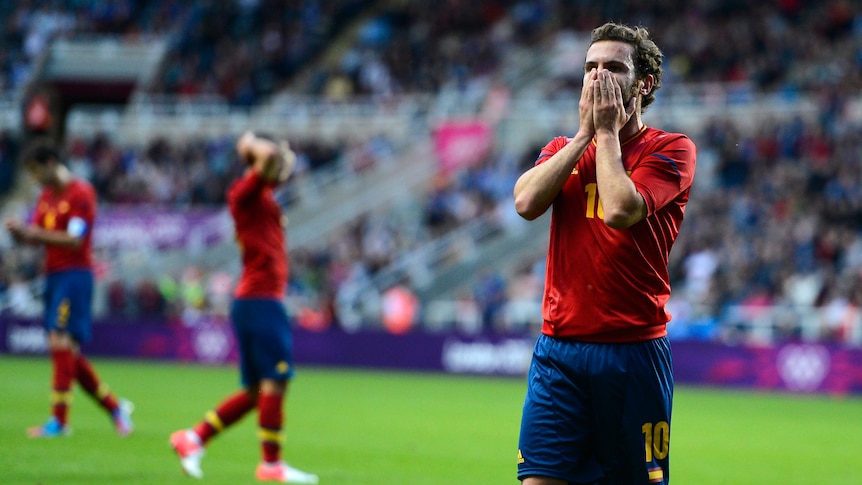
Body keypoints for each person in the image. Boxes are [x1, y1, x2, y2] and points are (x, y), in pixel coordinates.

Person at [512, 22, 696, 485]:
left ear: (644, 83)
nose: (599, 79)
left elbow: (619, 209)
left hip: (633, 354)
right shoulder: (561, 149)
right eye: (590, 68)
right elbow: (524, 203)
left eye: (614, 68)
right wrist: (581, 138)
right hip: (560, 353)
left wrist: (607, 134)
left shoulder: (672, 149)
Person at [169, 132, 318, 484]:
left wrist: (275, 155)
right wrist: (257, 144)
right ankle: (271, 465)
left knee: (257, 392)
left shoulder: (263, 196)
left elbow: (272, 166)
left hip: (257, 300)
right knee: (276, 381)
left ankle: (194, 439)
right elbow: (264, 157)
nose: (283, 169)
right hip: (260, 300)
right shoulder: (244, 193)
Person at [5, 138, 134, 438]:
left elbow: (75, 240)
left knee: (61, 342)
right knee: (66, 352)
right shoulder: (46, 196)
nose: (34, 179)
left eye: (36, 171)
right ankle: (114, 407)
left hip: (75, 276)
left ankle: (59, 422)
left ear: (51, 163)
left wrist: (32, 232)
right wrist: (19, 235)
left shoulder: (81, 192)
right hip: (52, 276)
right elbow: (36, 235)